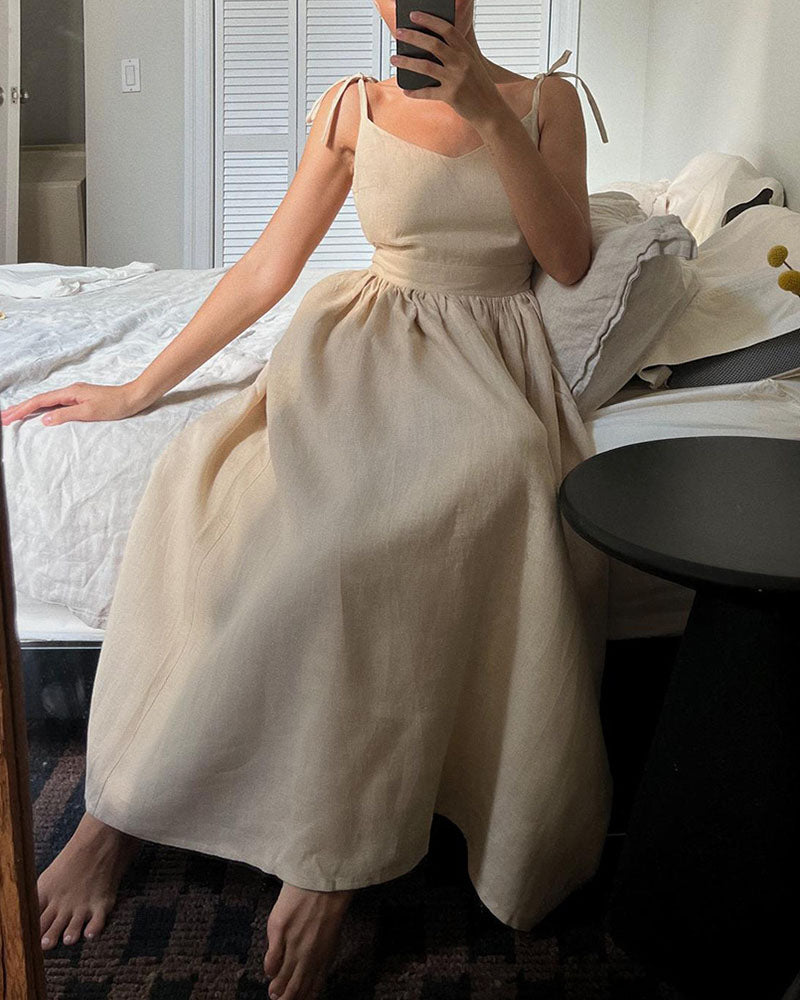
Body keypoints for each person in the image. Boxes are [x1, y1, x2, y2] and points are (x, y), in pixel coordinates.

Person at [1, 2, 611, 997]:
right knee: (222, 488)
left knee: (453, 493)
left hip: (483, 361)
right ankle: (115, 814)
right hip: (361, 347)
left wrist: (485, 111)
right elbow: (265, 270)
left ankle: (333, 856)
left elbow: (569, 259)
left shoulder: (546, 100)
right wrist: (138, 389)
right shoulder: (350, 108)